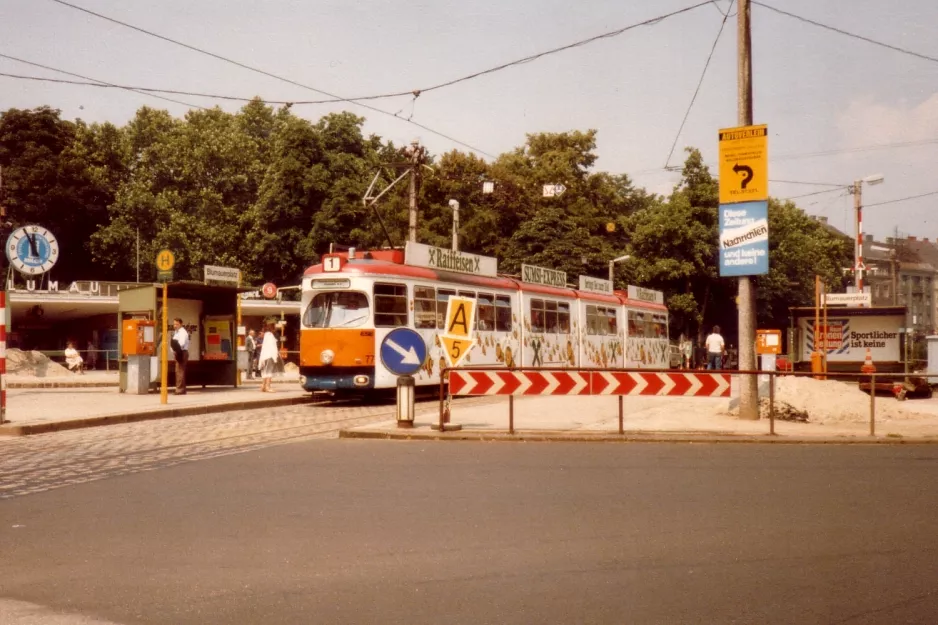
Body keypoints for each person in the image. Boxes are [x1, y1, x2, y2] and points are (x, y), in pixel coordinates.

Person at [258, 322, 279, 393]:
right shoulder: (270, 335)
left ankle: (263, 386)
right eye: (275, 327)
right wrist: (275, 356)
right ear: (272, 328)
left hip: (264, 355)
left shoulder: (266, 335)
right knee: (269, 371)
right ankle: (268, 387)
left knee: (265, 371)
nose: (276, 328)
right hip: (270, 355)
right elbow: (272, 347)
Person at [171, 317, 189, 395]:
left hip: (181, 352)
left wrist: (176, 349)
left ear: (181, 324)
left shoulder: (182, 332)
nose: (175, 326)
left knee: (179, 371)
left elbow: (181, 343)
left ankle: (180, 389)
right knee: (179, 370)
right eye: (174, 324)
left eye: (177, 324)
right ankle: (182, 389)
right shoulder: (176, 332)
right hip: (178, 352)